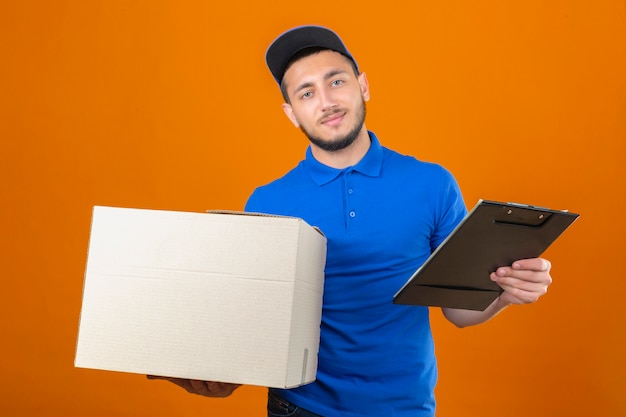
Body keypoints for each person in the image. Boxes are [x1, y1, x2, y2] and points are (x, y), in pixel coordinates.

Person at [149, 26, 553, 416]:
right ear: (292, 113)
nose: (326, 101)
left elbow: (459, 311)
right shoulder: (267, 201)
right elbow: (257, 315)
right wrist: (219, 372)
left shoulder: (432, 184)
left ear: (363, 86)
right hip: (301, 408)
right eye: (307, 93)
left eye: (336, 82)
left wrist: (504, 294)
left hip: (404, 408)